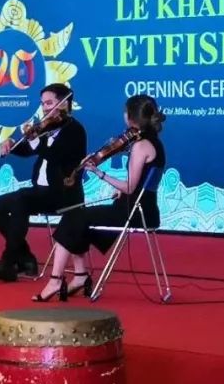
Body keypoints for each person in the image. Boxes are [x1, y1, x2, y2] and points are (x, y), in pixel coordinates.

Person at [34, 94, 166, 302]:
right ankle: (78, 276)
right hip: (144, 209)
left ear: (130, 117)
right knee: (76, 220)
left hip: (131, 212)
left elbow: (130, 187)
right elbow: (140, 185)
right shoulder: (154, 143)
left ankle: (56, 280)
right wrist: (122, 191)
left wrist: (100, 173)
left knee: (72, 218)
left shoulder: (140, 146)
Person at [0, 83, 86, 282]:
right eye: (43, 104)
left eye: (49, 103)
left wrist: (35, 139)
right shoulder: (47, 127)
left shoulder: (74, 130)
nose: (45, 108)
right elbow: (29, 150)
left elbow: (55, 155)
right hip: (40, 191)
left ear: (64, 104)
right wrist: (11, 145)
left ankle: (8, 262)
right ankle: (25, 257)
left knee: (21, 200)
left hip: (63, 193)